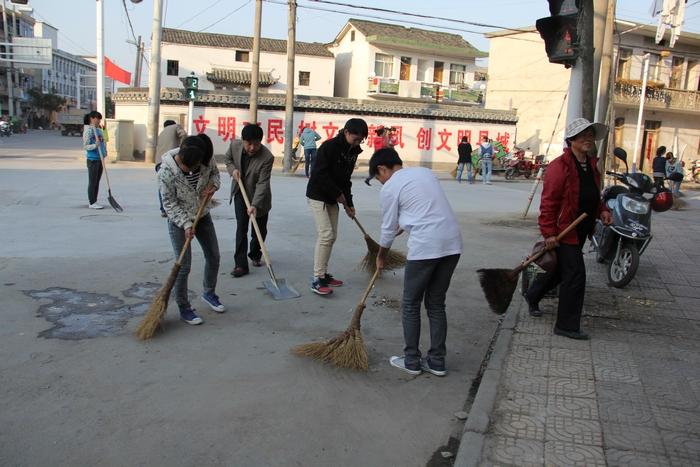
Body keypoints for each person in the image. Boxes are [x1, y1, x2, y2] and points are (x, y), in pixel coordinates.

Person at [370, 148, 462, 376]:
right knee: (436, 304)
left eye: (378, 177)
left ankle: (412, 361)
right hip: (452, 244)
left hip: (426, 248)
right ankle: (437, 362)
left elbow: (388, 227)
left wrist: (381, 255)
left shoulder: (390, 187)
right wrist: (408, 223)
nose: (381, 182)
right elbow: (426, 206)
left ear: (382, 169)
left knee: (411, 304)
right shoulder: (425, 173)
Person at [525, 118, 613, 340]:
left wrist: (602, 209)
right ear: (572, 140)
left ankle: (533, 295)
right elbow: (549, 203)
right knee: (575, 275)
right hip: (565, 230)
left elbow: (593, 194)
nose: (588, 139)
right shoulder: (559, 167)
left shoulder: (592, 165)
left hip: (582, 228)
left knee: (559, 271)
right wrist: (549, 234)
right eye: (582, 135)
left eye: (590, 135)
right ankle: (566, 325)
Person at [159, 135, 224, 325]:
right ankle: (184, 307)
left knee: (214, 256)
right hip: (179, 221)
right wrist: (186, 224)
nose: (197, 169)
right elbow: (169, 204)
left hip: (202, 214)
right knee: (183, 266)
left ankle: (209, 293)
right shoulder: (166, 173)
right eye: (192, 168)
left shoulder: (205, 158)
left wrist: (213, 186)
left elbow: (215, 174)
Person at [306, 118, 368, 295]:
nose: (357, 142)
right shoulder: (329, 147)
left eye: (360, 140)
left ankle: (324, 274)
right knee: (326, 234)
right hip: (318, 195)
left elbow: (345, 180)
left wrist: (350, 203)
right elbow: (319, 174)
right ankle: (317, 279)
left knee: (332, 236)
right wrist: (337, 194)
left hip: (333, 197)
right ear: (346, 132)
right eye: (355, 138)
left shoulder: (353, 151)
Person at [224, 124, 274, 278]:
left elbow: (262, 183)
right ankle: (240, 265)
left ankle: (254, 253)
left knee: (260, 230)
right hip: (241, 193)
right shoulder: (235, 145)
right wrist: (233, 170)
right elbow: (228, 159)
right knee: (241, 228)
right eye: (249, 143)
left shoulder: (267, 157)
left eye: (257, 143)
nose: (252, 147)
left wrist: (254, 205)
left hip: (260, 198)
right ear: (243, 140)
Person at [156, 120, 187, 217]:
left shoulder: (161, 133)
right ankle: (178, 208)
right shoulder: (176, 126)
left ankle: (164, 210)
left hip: (159, 162)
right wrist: (182, 150)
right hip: (171, 160)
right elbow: (184, 135)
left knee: (163, 185)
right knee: (178, 184)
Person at [82, 111, 107, 209]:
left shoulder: (98, 130)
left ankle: (95, 201)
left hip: (100, 159)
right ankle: (92, 202)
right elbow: (85, 146)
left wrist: (104, 152)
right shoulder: (88, 131)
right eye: (98, 118)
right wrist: (94, 145)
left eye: (100, 119)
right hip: (92, 160)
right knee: (92, 182)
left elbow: (102, 142)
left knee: (97, 181)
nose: (99, 120)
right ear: (92, 118)